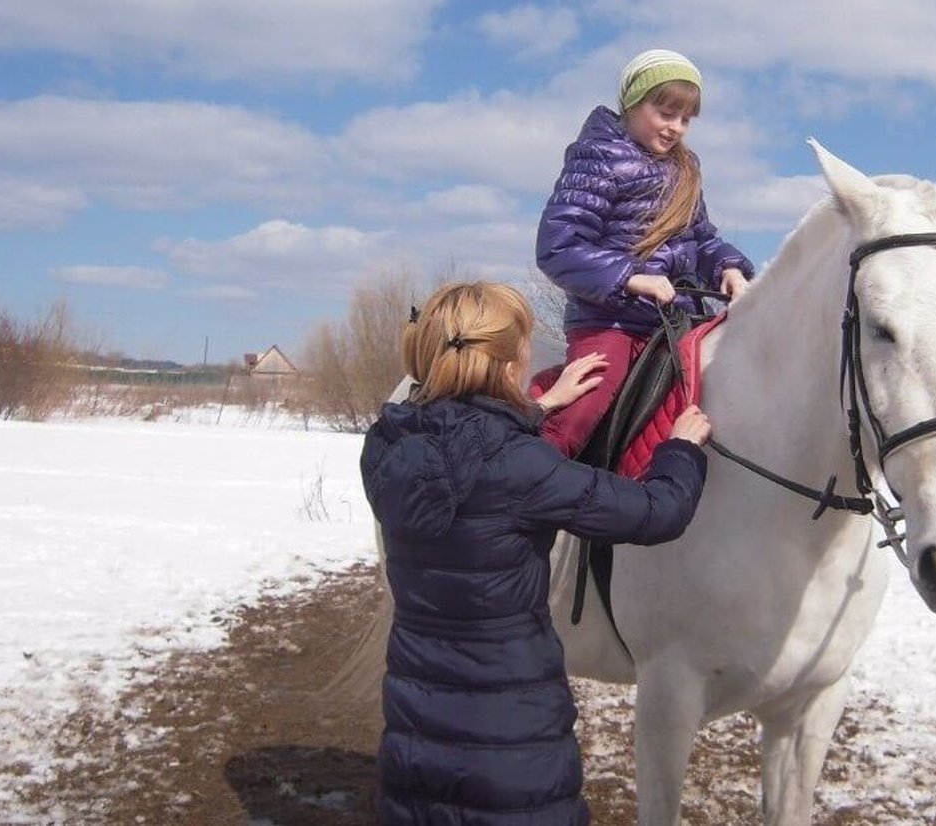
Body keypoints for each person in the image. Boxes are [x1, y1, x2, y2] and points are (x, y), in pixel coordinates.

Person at [359, 281, 712, 825]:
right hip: (510, 748)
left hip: (416, 738)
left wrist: (542, 406)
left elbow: (469, 455)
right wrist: (681, 451)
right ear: (506, 368)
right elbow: (654, 512)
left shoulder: (387, 446)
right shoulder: (523, 467)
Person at [536, 48, 755, 458]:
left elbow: (702, 239)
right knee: (585, 406)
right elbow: (558, 246)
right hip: (610, 322)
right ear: (633, 104)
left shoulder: (685, 169)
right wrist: (629, 277)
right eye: (665, 112)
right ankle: (530, 487)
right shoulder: (598, 158)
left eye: (686, 119)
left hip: (675, 324)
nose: (676, 128)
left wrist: (728, 266)